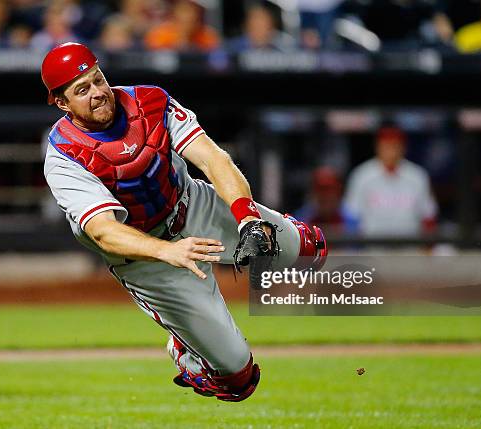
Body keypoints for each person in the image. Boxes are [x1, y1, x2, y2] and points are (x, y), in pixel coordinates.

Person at [41, 42, 327, 402]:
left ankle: (257, 237)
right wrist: (169, 252)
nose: (98, 92)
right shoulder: (63, 155)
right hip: (145, 255)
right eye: (82, 90)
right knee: (238, 383)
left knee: (310, 250)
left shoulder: (149, 102)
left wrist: (249, 221)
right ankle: (186, 348)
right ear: (62, 103)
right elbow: (104, 231)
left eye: (98, 79)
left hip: (190, 205)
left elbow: (213, 159)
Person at [342, 126, 437, 237]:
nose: (391, 151)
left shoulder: (417, 176)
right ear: (378, 147)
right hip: (372, 247)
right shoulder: (362, 175)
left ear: (403, 147)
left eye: (395, 146)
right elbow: (352, 216)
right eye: (386, 145)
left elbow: (428, 216)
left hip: (410, 247)